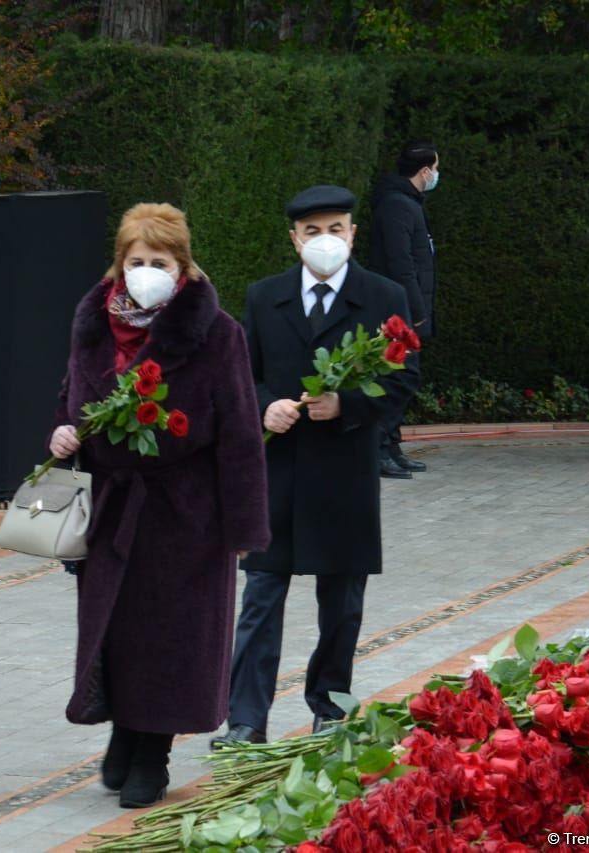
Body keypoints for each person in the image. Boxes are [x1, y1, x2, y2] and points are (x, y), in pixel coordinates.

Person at [48, 203, 270, 808]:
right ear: (120, 265)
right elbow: (71, 396)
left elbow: (242, 433)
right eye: (136, 261)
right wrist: (63, 433)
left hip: (186, 515)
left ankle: (153, 753)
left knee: (170, 640)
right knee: (117, 631)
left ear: (182, 267)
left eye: (160, 262)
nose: (147, 271)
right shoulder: (92, 323)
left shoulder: (218, 333)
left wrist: (245, 523)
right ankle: (125, 730)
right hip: (111, 510)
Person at [212, 186, 419, 749]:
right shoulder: (265, 297)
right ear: (294, 238)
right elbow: (238, 377)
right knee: (260, 596)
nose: (324, 240)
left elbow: (404, 378)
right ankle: (245, 720)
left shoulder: (383, 295)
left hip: (343, 473)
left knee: (342, 601)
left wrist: (347, 406)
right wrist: (265, 405)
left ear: (353, 233)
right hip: (277, 473)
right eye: (312, 231)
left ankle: (330, 706)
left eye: (336, 229)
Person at [369, 141, 438, 480]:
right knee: (395, 378)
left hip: (407, 309)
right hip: (399, 313)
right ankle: (380, 449)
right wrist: (414, 309)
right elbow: (401, 264)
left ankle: (392, 445)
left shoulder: (408, 204)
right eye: (435, 169)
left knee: (404, 378)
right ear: (424, 171)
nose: (437, 175)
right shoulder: (397, 206)